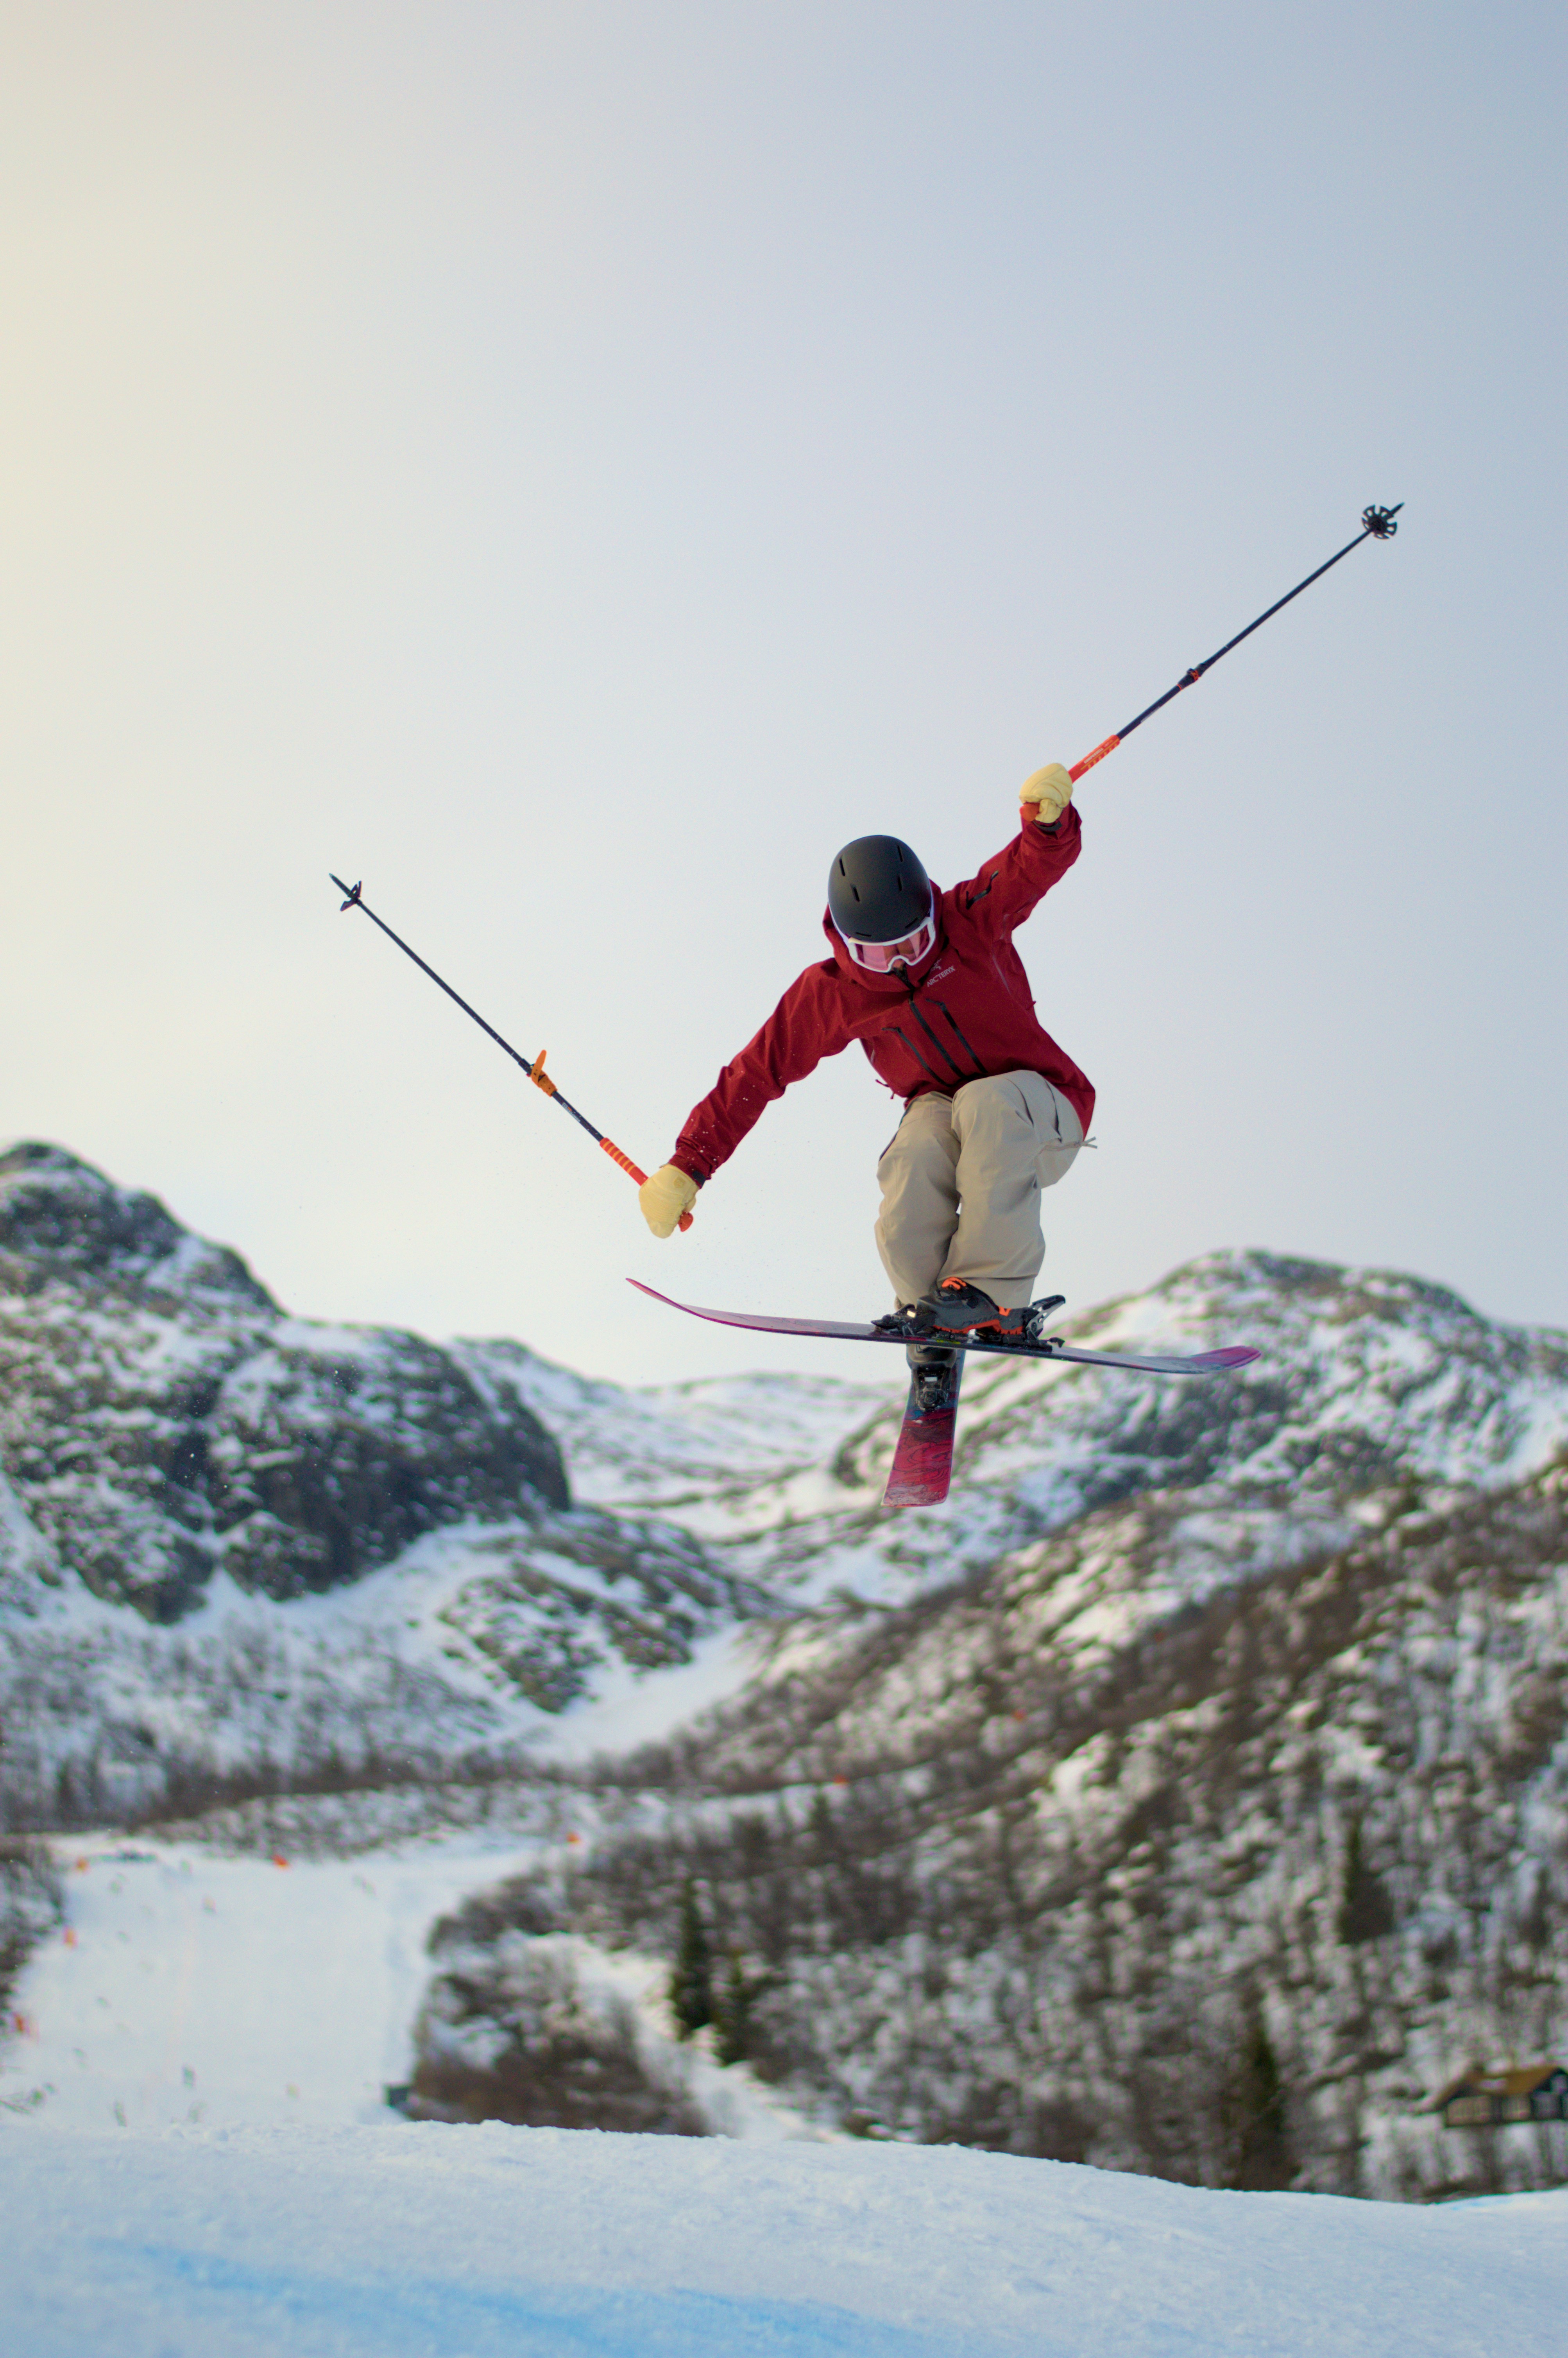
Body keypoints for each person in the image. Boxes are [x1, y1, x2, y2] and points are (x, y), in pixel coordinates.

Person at [638, 762, 1094, 1389]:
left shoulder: (970, 920)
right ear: (846, 946)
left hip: (1044, 1114)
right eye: (878, 954)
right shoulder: (832, 995)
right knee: (917, 1144)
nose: (902, 962)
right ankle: (932, 1321)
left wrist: (1047, 827)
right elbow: (756, 1073)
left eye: (915, 941)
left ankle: (994, 1295)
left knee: (986, 1102)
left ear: (933, 916)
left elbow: (1027, 869)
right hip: (956, 1121)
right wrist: (689, 1165)